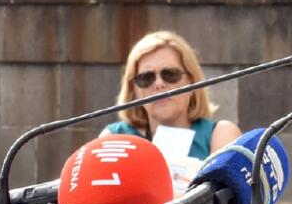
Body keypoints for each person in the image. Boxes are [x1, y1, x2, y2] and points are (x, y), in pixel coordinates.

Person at [103, 30, 240, 155]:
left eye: (170, 74)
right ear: (134, 90)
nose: (159, 84)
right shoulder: (114, 138)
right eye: (146, 78)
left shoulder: (220, 134)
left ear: (192, 82)